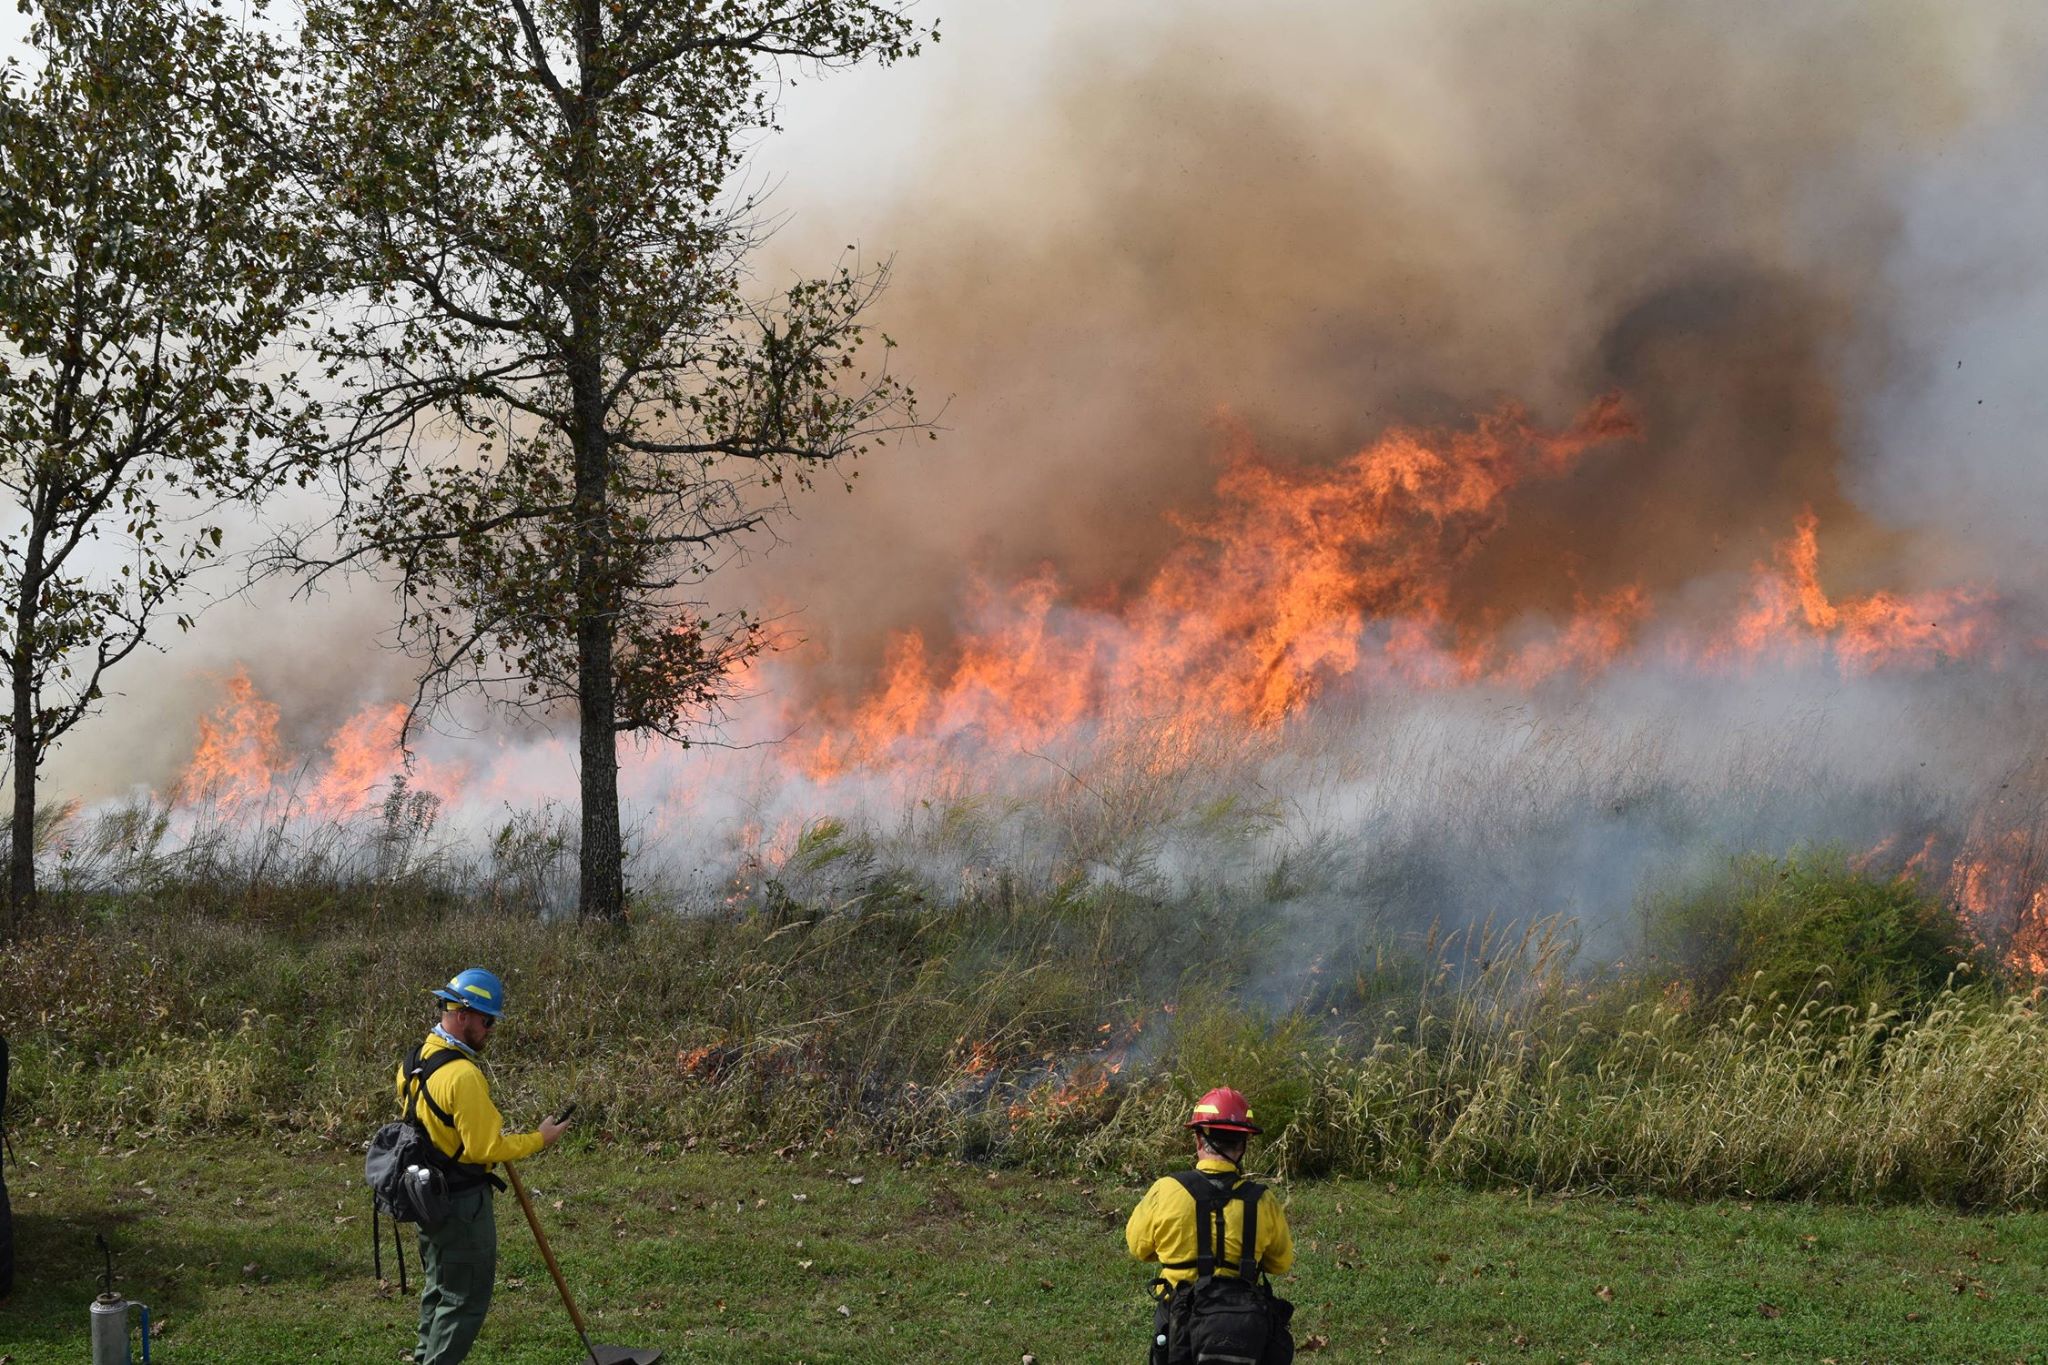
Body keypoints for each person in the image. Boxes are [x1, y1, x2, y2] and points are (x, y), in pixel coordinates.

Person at [397, 968, 572, 1365]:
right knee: (465, 1300)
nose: (491, 1029)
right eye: (487, 1019)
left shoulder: (414, 1061)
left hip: (425, 1198)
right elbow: (484, 1149)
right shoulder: (463, 1075)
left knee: (439, 1287)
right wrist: (539, 1139)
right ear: (462, 1014)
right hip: (461, 1206)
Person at [1126, 1086, 1294, 1364]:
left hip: (1179, 1319)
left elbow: (1138, 1248)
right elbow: (1280, 1263)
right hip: (1244, 1323)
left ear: (1198, 1138)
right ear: (1242, 1146)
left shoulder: (1166, 1190)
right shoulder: (1263, 1201)